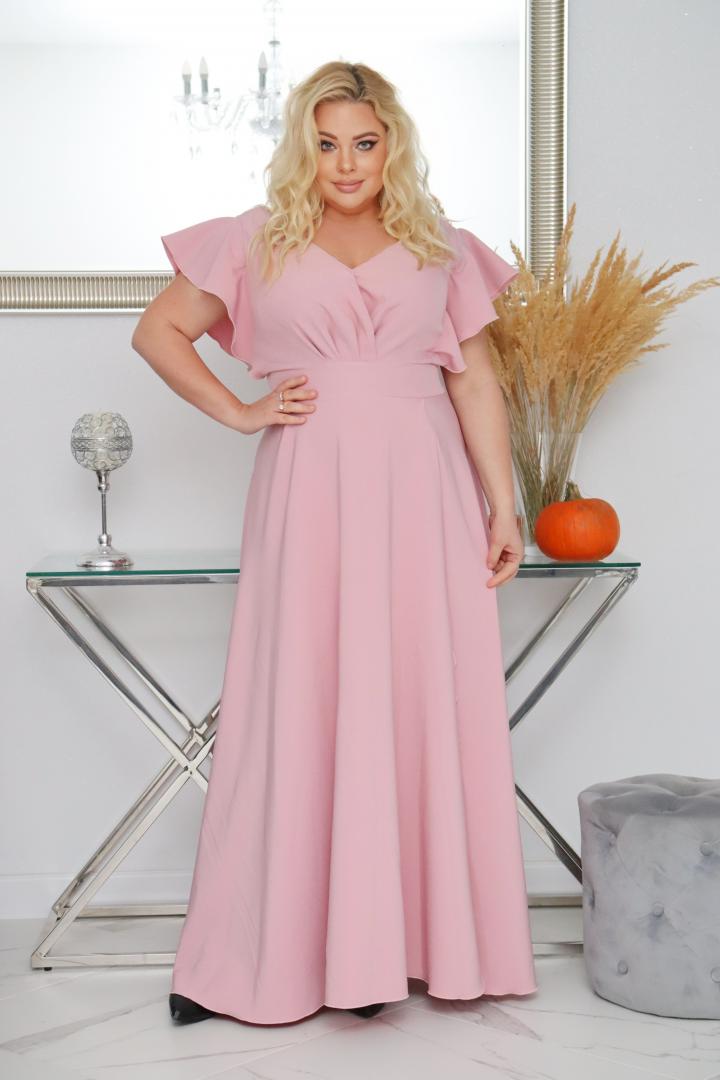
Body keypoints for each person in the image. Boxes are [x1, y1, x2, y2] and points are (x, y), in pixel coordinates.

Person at [131, 59, 538, 1027]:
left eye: (364, 142)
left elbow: (474, 381)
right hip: (308, 488)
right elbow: (159, 333)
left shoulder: (442, 247)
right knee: (298, 696)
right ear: (300, 150)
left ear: (392, 145)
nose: (346, 163)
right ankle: (265, 956)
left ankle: (403, 951)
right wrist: (241, 412)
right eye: (325, 144)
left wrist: (504, 505)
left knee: (417, 695)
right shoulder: (254, 239)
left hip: (423, 491)